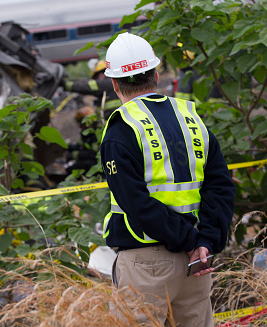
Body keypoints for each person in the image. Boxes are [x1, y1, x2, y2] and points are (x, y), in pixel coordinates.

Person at [99, 33, 235, 326]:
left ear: (114, 84)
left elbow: (135, 202)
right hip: (196, 260)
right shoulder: (191, 118)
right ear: (156, 75)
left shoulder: (122, 129)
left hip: (145, 262)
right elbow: (221, 186)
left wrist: (188, 242)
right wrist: (206, 242)